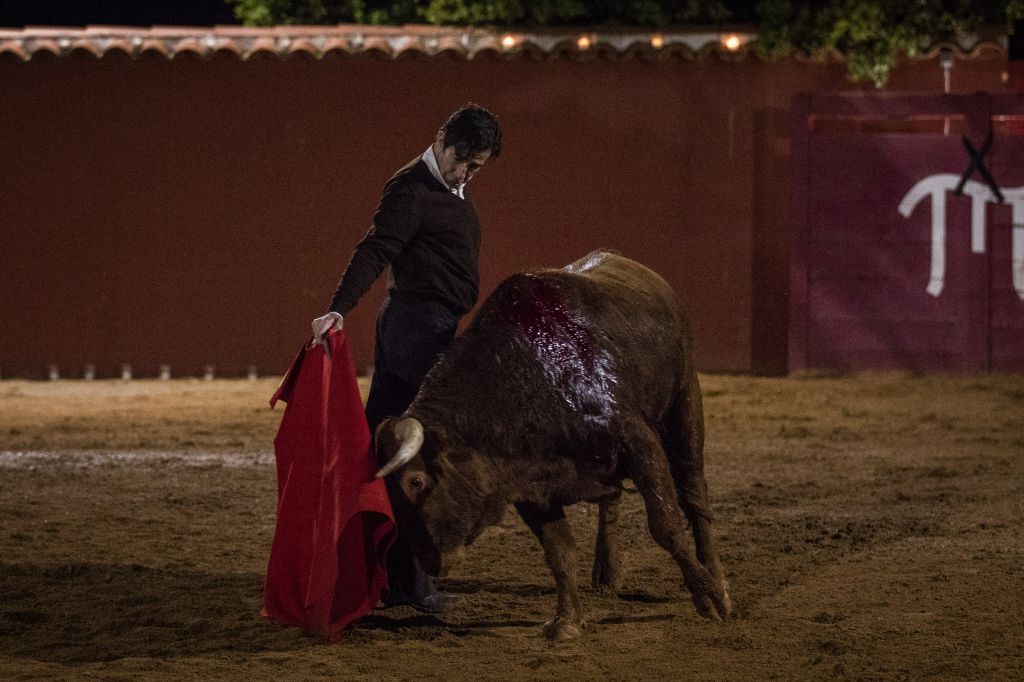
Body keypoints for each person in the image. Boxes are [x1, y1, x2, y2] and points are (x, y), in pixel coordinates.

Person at [310, 104, 502, 613]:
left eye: (475, 166)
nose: (464, 172)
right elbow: (374, 250)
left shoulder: (446, 189)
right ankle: (407, 584)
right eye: (461, 158)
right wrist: (337, 309)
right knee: (414, 456)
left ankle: (383, 574)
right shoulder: (410, 188)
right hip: (416, 330)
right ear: (441, 139)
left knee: (390, 448)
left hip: (426, 328)